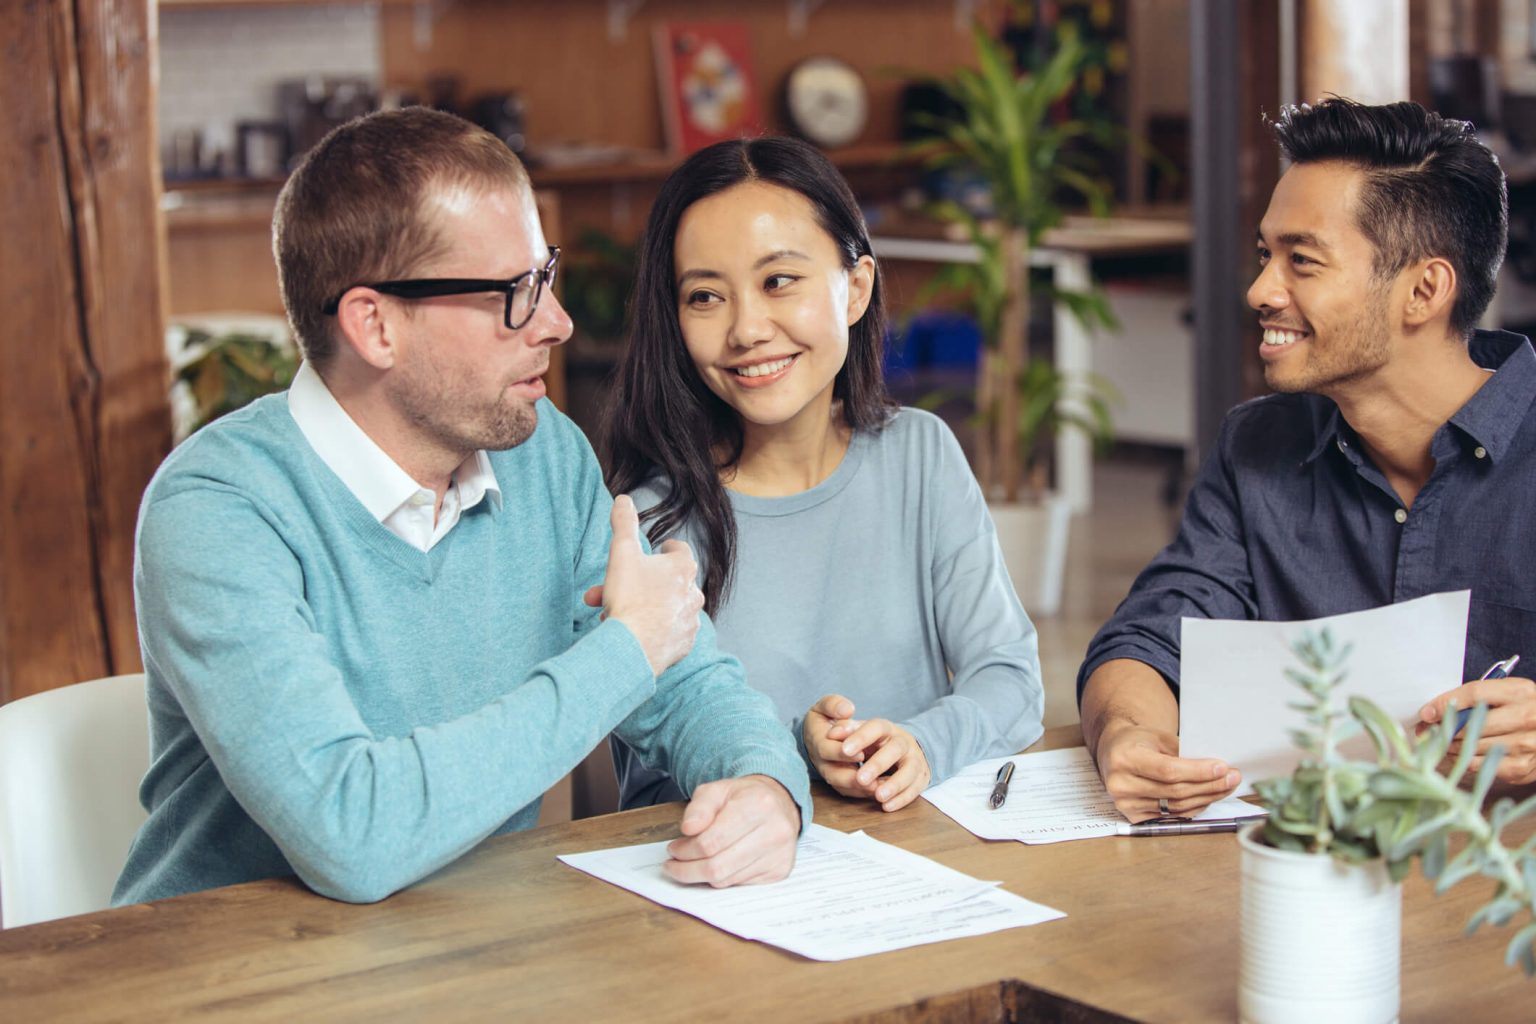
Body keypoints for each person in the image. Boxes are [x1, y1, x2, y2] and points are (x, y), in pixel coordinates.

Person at [113, 108, 811, 907]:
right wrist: (625, 652)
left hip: (460, 951)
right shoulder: (217, 510)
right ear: (374, 325)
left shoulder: (543, 451)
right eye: (514, 293)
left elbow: (685, 683)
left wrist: (766, 785)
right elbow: (350, 834)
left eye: (544, 276)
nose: (557, 322)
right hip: (220, 977)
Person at [1078, 97, 1536, 822]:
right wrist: (1127, 736)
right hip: (1304, 877)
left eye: (1304, 262)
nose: (1261, 291)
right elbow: (1148, 637)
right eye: (1267, 256)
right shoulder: (1257, 445)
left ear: (1425, 290)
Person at [602, 136, 1044, 815]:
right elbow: (649, 786)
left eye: (779, 281)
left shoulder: (919, 456)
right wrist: (795, 750)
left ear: (856, 288)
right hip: (732, 886)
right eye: (705, 296)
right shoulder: (649, 518)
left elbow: (1010, 679)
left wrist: (921, 744)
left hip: (915, 860)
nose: (746, 328)